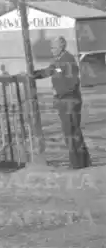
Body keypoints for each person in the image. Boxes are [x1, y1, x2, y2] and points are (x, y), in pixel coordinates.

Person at [31, 37, 91, 169]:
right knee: (72, 131)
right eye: (51, 47)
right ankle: (83, 161)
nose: (51, 50)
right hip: (64, 100)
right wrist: (33, 74)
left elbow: (73, 82)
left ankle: (77, 163)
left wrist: (60, 94)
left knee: (71, 132)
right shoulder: (58, 60)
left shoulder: (68, 60)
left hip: (69, 101)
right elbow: (48, 71)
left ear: (61, 47)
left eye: (53, 47)